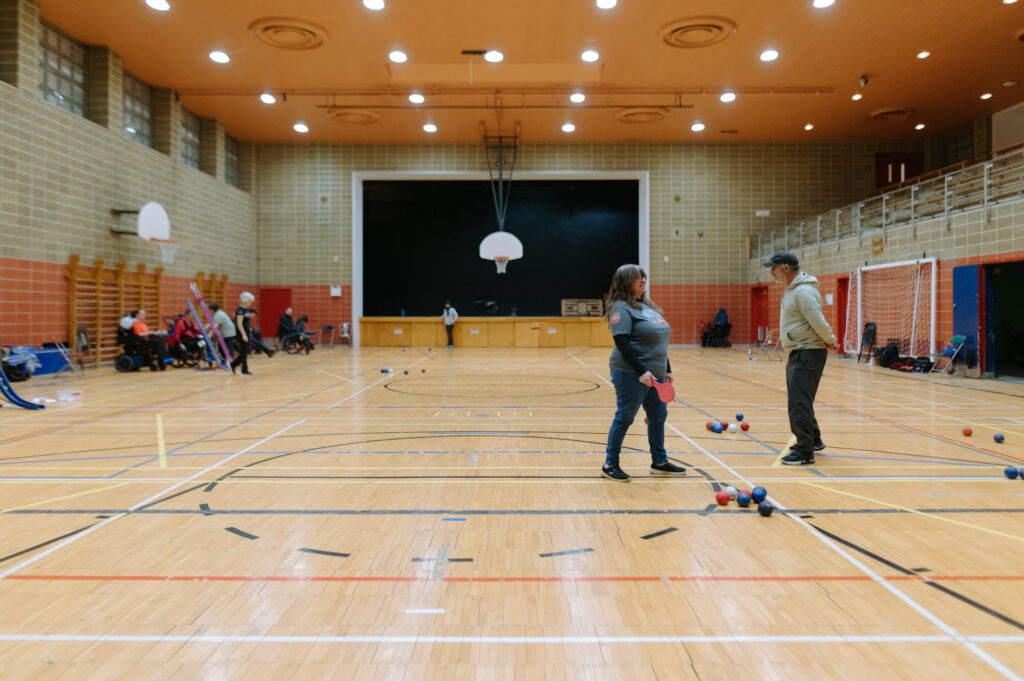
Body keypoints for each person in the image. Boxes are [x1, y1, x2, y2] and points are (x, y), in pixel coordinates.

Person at [601, 264, 686, 481]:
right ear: (625, 281)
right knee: (625, 417)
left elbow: (659, 339)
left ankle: (659, 461)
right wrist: (641, 371)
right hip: (631, 373)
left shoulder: (647, 307)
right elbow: (622, 341)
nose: (642, 281)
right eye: (637, 278)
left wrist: (666, 369)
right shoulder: (621, 308)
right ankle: (610, 464)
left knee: (658, 417)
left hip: (655, 375)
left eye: (644, 277)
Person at [763, 251, 837, 465]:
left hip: (808, 351)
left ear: (785, 268)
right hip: (800, 350)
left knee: (798, 402)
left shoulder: (803, 292)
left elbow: (818, 320)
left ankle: (805, 451)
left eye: (774, 267)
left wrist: (830, 339)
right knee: (802, 400)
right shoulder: (792, 290)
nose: (771, 272)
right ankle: (813, 440)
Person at [208, 302, 242, 373]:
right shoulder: (216, 314)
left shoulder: (218, 315)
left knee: (228, 347)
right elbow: (211, 323)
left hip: (227, 332)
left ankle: (233, 362)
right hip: (224, 332)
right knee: (221, 347)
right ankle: (223, 362)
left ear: (212, 309)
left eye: (209, 309)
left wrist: (209, 335)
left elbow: (215, 326)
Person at [233, 292, 256, 375]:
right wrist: (243, 334)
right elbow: (239, 324)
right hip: (241, 333)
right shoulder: (240, 310)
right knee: (244, 351)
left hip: (246, 332)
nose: (251, 303)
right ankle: (244, 370)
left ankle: (234, 364)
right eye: (250, 301)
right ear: (246, 301)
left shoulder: (246, 309)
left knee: (245, 351)